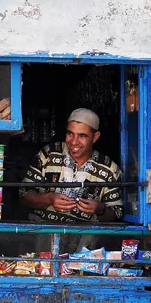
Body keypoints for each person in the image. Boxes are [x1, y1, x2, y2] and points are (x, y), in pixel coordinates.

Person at [19, 108, 123, 252]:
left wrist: (100, 208)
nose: (74, 142)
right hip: (44, 236)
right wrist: (49, 198)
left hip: (85, 244)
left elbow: (116, 214)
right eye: (70, 133)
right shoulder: (48, 155)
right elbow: (23, 195)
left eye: (82, 136)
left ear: (95, 137)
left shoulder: (109, 169)